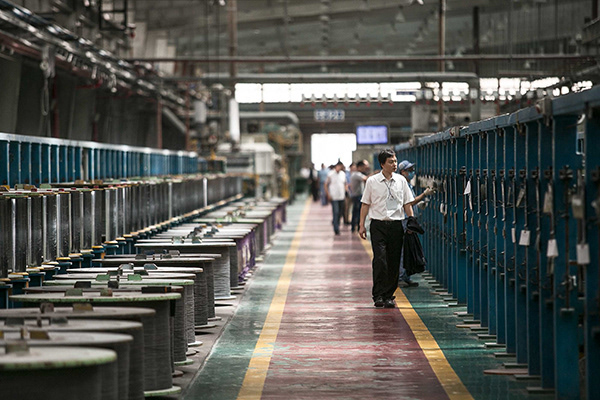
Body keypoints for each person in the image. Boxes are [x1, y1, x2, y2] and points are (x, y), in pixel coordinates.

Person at [359, 149, 414, 308]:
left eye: (395, 161)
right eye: (391, 162)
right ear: (382, 164)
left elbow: (407, 203)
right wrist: (361, 225)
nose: (394, 164)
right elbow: (365, 204)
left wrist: (411, 221)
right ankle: (378, 295)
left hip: (396, 225)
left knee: (394, 261)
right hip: (378, 225)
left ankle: (389, 295)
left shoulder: (401, 181)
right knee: (380, 260)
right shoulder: (372, 181)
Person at [397, 160, 435, 287]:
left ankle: (406, 276)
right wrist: (424, 194)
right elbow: (409, 202)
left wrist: (419, 205)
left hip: (409, 220)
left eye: (412, 170)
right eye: (409, 170)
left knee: (409, 249)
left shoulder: (408, 185)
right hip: (405, 220)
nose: (412, 172)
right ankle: (401, 277)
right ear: (402, 172)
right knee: (404, 249)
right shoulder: (402, 185)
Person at [324, 161, 347, 235]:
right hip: (334, 197)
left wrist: (346, 191)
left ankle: (336, 223)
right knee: (336, 212)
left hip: (341, 196)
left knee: (340, 212)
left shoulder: (343, 174)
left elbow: (345, 183)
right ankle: (336, 228)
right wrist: (328, 194)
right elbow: (325, 184)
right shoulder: (330, 174)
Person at [350, 160, 370, 232]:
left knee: (355, 212)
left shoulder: (355, 174)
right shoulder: (357, 174)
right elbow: (366, 179)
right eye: (364, 167)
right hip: (357, 196)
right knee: (358, 212)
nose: (365, 168)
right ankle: (358, 227)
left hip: (356, 196)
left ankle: (354, 227)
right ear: (359, 167)